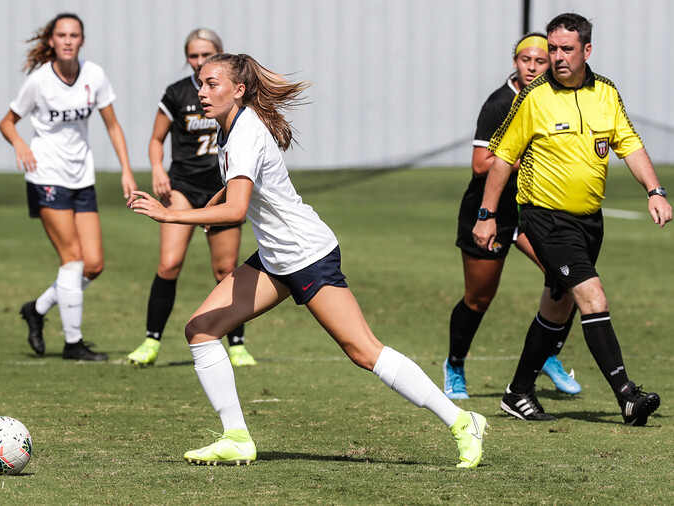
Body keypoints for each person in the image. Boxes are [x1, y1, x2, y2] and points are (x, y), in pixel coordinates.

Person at [128, 53, 486, 467]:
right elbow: (236, 189)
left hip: (307, 255)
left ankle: (463, 422)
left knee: (364, 351)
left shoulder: (244, 132)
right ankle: (237, 438)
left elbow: (236, 210)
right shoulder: (231, 129)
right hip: (276, 258)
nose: (201, 93)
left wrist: (172, 213)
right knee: (202, 329)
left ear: (238, 90)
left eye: (212, 84)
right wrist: (211, 200)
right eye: (200, 84)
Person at [473, 13, 671, 425]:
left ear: (587, 50)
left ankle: (518, 392)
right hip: (545, 219)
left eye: (566, 49)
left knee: (557, 309)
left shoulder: (606, 93)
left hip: (589, 222)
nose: (557, 57)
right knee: (592, 298)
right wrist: (487, 215)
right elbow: (502, 159)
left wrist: (654, 190)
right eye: (552, 49)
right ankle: (627, 396)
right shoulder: (533, 98)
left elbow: (629, 144)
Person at [445, 33, 581, 399]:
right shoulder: (499, 102)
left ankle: (548, 357)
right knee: (479, 298)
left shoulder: (552, 99)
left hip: (533, 212)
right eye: (527, 60)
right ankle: (455, 365)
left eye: (541, 61)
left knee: (567, 281)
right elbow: (479, 165)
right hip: (491, 212)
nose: (534, 67)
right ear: (516, 61)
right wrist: (524, 154)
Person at [0, 12, 138, 361]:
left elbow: (113, 126)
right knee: (73, 260)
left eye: (74, 35)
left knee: (93, 265)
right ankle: (73, 344)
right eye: (61, 35)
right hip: (46, 176)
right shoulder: (39, 81)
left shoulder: (94, 76)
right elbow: (8, 122)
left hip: (82, 178)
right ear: (51, 41)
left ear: (82, 41)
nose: (67, 40)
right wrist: (19, 143)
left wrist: (126, 170)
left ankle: (37, 309)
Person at [126, 29, 256, 368]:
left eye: (206, 55)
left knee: (225, 268)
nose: (199, 61)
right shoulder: (178, 93)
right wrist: (157, 169)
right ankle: (151, 341)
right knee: (169, 263)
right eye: (193, 56)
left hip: (223, 189)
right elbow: (156, 139)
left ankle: (238, 344)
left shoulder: (231, 96)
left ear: (221, 55)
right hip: (182, 187)